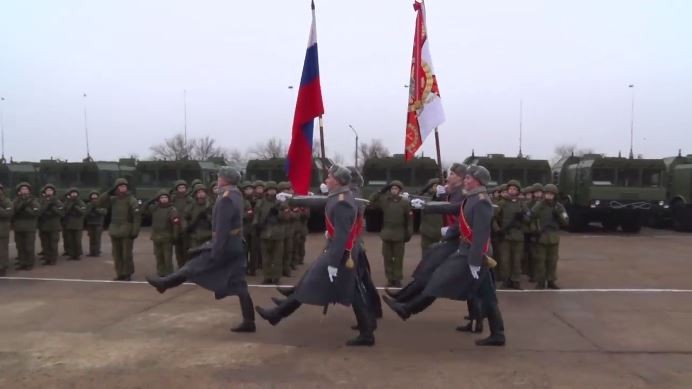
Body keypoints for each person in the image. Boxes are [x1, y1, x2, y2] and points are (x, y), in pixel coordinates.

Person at [383, 165, 506, 346]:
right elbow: (452, 208)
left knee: (439, 278)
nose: (466, 180)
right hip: (471, 252)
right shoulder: (472, 198)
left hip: (473, 254)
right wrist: (426, 205)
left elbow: (480, 234)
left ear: (478, 181)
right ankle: (498, 334)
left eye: (469, 178)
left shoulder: (482, 202)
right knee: (487, 295)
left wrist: (474, 261)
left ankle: (407, 309)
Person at [255, 165, 376, 346]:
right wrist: (293, 199)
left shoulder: (342, 201)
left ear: (337, 181)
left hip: (342, 253)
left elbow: (343, 236)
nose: (326, 179)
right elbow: (321, 202)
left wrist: (334, 263)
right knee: (353, 291)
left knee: (313, 282)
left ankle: (277, 314)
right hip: (340, 251)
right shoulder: (338, 196)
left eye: (329, 177)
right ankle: (367, 331)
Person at [145, 167, 256, 333]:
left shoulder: (225, 198)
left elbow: (222, 228)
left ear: (224, 179)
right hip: (236, 244)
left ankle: (165, 283)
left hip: (225, 244)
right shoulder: (236, 194)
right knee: (240, 285)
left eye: (219, 177)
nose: (218, 179)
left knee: (193, 265)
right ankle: (249, 321)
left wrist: (216, 251)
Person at [369, 180, 413, 287]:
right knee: (387, 257)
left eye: (396, 189)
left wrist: (408, 233)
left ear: (400, 191)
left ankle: (397, 278)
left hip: (399, 234)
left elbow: (409, 220)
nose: (394, 190)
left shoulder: (404, 203)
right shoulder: (385, 201)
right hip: (387, 233)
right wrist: (380, 191)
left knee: (398, 258)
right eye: (392, 188)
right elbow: (371, 201)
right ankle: (390, 278)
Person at [98, 178, 141, 281]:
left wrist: (135, 231)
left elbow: (137, 217)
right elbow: (99, 203)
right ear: (116, 188)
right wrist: (108, 192)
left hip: (127, 230)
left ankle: (127, 273)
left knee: (126, 254)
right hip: (115, 229)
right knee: (116, 254)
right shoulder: (113, 200)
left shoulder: (131, 200)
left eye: (124, 186)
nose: (122, 188)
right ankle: (120, 273)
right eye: (120, 186)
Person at [531, 184, 569, 289]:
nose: (549, 196)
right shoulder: (539, 206)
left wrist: (559, 215)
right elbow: (530, 217)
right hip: (541, 236)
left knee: (552, 260)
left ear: (554, 195)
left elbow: (566, 221)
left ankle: (551, 280)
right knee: (540, 260)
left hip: (553, 236)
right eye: (547, 193)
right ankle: (541, 281)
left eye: (551, 194)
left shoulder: (559, 206)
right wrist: (534, 229)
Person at [495, 179, 529, 289]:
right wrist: (498, 230)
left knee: (517, 260)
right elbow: (493, 218)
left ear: (518, 191)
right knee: (505, 260)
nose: (512, 191)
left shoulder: (522, 204)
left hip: (518, 236)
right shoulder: (502, 203)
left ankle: (516, 280)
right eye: (510, 189)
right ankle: (506, 280)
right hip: (505, 236)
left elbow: (529, 218)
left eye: (514, 189)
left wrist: (523, 217)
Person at [253, 181, 289, 284]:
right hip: (265, 233)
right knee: (266, 258)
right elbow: (256, 216)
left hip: (278, 233)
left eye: (273, 190)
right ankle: (267, 277)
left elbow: (287, 217)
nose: (272, 191)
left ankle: (276, 277)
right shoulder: (260, 203)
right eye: (270, 189)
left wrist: (278, 214)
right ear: (266, 191)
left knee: (277, 258)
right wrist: (256, 225)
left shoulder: (281, 202)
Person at [147, 190, 181, 276]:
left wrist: (175, 236)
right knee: (158, 256)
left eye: (166, 197)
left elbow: (176, 224)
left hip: (167, 237)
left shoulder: (172, 209)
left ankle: (169, 273)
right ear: (158, 199)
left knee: (167, 257)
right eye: (162, 197)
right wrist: (151, 200)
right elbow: (143, 209)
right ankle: (161, 272)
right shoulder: (154, 208)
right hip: (156, 236)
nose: (164, 199)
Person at [12, 182, 41, 270]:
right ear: (19, 191)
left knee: (29, 246)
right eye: (22, 189)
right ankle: (22, 263)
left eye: (26, 189)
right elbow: (13, 211)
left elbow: (36, 212)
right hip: (18, 227)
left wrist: (27, 209)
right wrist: (22, 206)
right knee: (20, 247)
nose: (24, 190)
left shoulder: (33, 200)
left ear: (29, 191)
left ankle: (29, 263)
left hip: (30, 227)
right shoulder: (16, 200)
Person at [38, 184, 64, 266]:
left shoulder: (57, 201)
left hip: (54, 226)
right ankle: (47, 259)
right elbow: (39, 212)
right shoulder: (41, 200)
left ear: (53, 192)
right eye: (47, 190)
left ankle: (53, 259)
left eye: (50, 190)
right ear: (44, 192)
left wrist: (52, 208)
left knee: (53, 244)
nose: (49, 192)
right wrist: (47, 205)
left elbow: (61, 213)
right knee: (45, 244)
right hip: (44, 226)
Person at [418, 178, 444, 252]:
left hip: (440, 231)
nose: (437, 188)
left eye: (439, 186)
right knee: (426, 254)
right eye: (435, 186)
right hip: (427, 231)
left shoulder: (444, 197)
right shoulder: (424, 198)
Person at [172, 180, 192, 268]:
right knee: (178, 249)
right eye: (180, 188)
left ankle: (187, 267)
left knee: (186, 248)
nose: (182, 189)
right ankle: (180, 266)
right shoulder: (173, 199)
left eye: (183, 187)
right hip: (175, 226)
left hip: (186, 226)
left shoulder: (190, 199)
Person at [186, 184, 213, 249]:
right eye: (199, 192)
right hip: (195, 236)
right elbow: (185, 217)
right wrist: (187, 226)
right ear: (195, 194)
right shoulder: (191, 206)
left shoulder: (211, 204)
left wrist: (207, 217)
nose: (201, 194)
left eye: (202, 192)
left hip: (208, 235)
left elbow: (217, 219)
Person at [63, 188, 87, 260]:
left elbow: (83, 212)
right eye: (72, 193)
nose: (73, 194)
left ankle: (78, 254)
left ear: (77, 194)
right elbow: (64, 210)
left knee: (77, 240)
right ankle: (71, 254)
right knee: (70, 240)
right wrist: (70, 206)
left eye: (75, 193)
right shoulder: (67, 202)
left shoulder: (80, 202)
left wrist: (75, 207)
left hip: (78, 224)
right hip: (69, 224)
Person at [85, 191, 107, 257]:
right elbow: (86, 213)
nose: (94, 197)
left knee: (97, 238)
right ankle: (92, 252)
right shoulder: (89, 204)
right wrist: (92, 211)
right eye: (93, 196)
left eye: (95, 196)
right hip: (90, 223)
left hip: (98, 223)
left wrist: (97, 210)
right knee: (91, 238)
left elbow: (104, 212)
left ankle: (97, 252)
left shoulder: (101, 204)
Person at [0, 184, 13, 276]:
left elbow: (8, 213)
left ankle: (2, 267)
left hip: (2, 230)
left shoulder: (7, 201)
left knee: (2, 250)